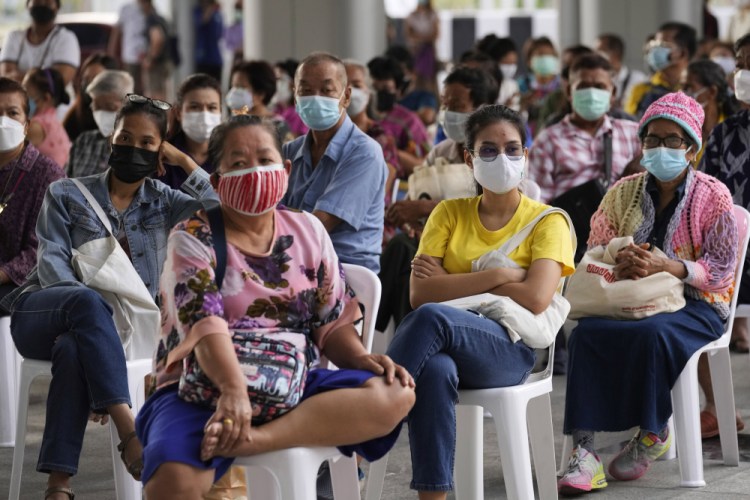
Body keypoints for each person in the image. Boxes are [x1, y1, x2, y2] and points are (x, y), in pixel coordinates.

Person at [134, 113, 414, 499]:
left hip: (292, 381)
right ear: (216, 181)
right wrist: (233, 391)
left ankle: (252, 440)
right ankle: (236, 434)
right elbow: (204, 326)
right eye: (237, 163)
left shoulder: (308, 231)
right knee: (173, 485)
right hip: (202, 387)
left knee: (397, 393)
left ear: (284, 170)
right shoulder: (192, 238)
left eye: (265, 160)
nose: (254, 171)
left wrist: (362, 360)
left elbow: (331, 323)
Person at [0, 94, 218, 500]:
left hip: (110, 334)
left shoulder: (164, 201)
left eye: (147, 143)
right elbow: (53, 270)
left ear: (160, 152)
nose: (133, 148)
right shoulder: (66, 193)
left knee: (73, 348)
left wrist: (186, 163)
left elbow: (221, 215)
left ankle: (57, 486)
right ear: (111, 140)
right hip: (42, 312)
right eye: (125, 138)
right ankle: (128, 428)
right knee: (84, 304)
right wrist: (96, 326)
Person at [387, 104, 575, 498]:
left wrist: (452, 282)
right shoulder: (448, 213)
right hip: (450, 345)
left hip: (510, 350)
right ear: (468, 158)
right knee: (435, 370)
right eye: (488, 150)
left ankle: (371, 417)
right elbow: (419, 293)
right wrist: (499, 276)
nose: (501, 159)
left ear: (526, 154)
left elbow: (537, 298)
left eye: (511, 149)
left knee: (434, 318)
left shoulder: (547, 221)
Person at [558, 92, 738, 496]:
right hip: (627, 297)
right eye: (651, 140)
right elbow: (594, 249)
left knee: (654, 333)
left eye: (671, 140)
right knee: (585, 334)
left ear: (691, 147)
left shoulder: (714, 196)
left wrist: (668, 266)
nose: (659, 149)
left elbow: (721, 270)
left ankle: (653, 431)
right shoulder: (623, 191)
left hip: (698, 305)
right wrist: (620, 260)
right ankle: (584, 454)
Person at [377, 66, 499, 334]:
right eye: (445, 104)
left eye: (457, 105)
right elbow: (415, 198)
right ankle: (406, 336)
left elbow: (496, 209)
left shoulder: (496, 155)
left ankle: (381, 329)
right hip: (433, 242)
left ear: (482, 107)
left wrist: (426, 209)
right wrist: (411, 217)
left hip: (476, 247)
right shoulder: (441, 151)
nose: (448, 112)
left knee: (404, 252)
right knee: (407, 254)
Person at [282, 52, 387, 274]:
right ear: (295, 96)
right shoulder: (290, 151)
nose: (315, 98)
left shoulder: (364, 153)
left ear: (346, 96)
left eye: (327, 90)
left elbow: (318, 226)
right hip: (293, 263)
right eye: (306, 91)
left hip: (344, 273)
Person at [699, 33, 750, 437]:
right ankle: (717, 409)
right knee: (688, 297)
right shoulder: (724, 134)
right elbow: (708, 200)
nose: (744, 74)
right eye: (741, 65)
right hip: (733, 258)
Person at [528, 53, 641, 204]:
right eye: (583, 87)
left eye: (600, 87)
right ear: (569, 92)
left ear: (613, 93)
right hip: (569, 225)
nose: (592, 94)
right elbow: (537, 202)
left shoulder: (633, 134)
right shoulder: (548, 141)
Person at [0, 77, 64, 312]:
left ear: (26, 125)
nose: (3, 121)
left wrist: (2, 274)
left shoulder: (47, 175)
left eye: (12, 113)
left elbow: (43, 250)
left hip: (27, 287)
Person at [367, 56, 431, 178]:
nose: (379, 94)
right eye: (374, 89)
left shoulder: (408, 120)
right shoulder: (358, 115)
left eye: (386, 88)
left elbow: (424, 163)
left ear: (398, 90)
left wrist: (389, 152)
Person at [344, 59, 400, 198]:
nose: (349, 91)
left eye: (356, 85)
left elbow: (381, 187)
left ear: (368, 92)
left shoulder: (380, 136)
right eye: (343, 85)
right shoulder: (326, 134)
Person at [157, 73, 222, 189]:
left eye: (212, 107)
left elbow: (222, 201)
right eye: (195, 107)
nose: (204, 114)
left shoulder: (230, 154)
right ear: (178, 113)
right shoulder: (162, 152)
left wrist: (184, 161)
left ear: (220, 112)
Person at [67, 70, 133, 178]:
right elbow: (65, 185)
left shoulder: (136, 150)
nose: (103, 114)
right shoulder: (84, 142)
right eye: (97, 108)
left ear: (127, 106)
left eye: (110, 107)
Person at [0, 0, 81, 86]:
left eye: (47, 2)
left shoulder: (66, 39)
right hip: (16, 99)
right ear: (28, 5)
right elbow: (6, 78)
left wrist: (19, 77)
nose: (42, 3)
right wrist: (41, 80)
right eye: (37, 1)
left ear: (57, 7)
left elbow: (58, 83)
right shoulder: (14, 37)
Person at [626, 22, 696, 118]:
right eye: (654, 44)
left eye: (663, 45)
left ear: (682, 53)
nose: (654, 50)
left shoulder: (699, 90)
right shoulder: (641, 90)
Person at [681, 59, 738, 166]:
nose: (682, 93)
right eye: (682, 87)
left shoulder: (734, 131)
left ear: (712, 92)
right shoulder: (679, 129)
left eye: (689, 87)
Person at [226, 60, 292, 142]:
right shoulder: (231, 123)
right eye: (234, 86)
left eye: (241, 87)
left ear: (260, 94)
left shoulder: (277, 126)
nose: (234, 92)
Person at [62, 52, 119, 142]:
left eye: (96, 79)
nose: (90, 85)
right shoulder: (73, 118)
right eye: (86, 78)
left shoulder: (123, 121)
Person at [22, 67, 71, 168]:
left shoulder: (36, 127)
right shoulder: (54, 122)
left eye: (25, 95)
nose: (20, 99)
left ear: (46, 98)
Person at [386, 45, 438, 127]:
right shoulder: (381, 95)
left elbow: (426, 117)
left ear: (411, 72)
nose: (396, 76)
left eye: (399, 71)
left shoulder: (424, 96)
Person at [596, 34, 647, 110]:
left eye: (600, 52)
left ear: (615, 53)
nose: (595, 56)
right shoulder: (596, 80)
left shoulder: (638, 79)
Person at [108, 0, 148, 94]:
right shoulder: (126, 9)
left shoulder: (149, 8)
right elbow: (116, 31)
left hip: (146, 56)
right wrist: (111, 50)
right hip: (130, 55)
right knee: (131, 84)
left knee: (145, 86)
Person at [476, 34, 521, 110]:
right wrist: (503, 108)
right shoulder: (482, 84)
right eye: (506, 63)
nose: (511, 68)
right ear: (494, 61)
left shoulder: (512, 85)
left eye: (513, 63)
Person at [141, 0, 173, 102]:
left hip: (157, 63)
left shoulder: (152, 19)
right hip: (165, 61)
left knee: (155, 96)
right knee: (163, 93)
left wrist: (150, 59)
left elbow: (157, 39)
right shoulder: (160, 18)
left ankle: (159, 117)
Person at [405, 0, 439, 92]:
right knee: (415, 75)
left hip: (428, 49)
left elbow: (436, 34)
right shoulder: (412, 15)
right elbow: (409, 33)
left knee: (428, 77)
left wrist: (421, 38)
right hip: (415, 49)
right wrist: (422, 38)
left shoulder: (432, 15)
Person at [273, 59, 308, 137]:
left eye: (280, 80)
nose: (275, 84)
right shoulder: (276, 110)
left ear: (293, 84)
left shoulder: (302, 114)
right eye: (274, 79)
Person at [193, 0, 223, 82]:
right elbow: (202, 22)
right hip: (203, 58)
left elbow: (220, 33)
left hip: (215, 58)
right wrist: (210, 9)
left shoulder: (217, 13)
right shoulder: (198, 11)